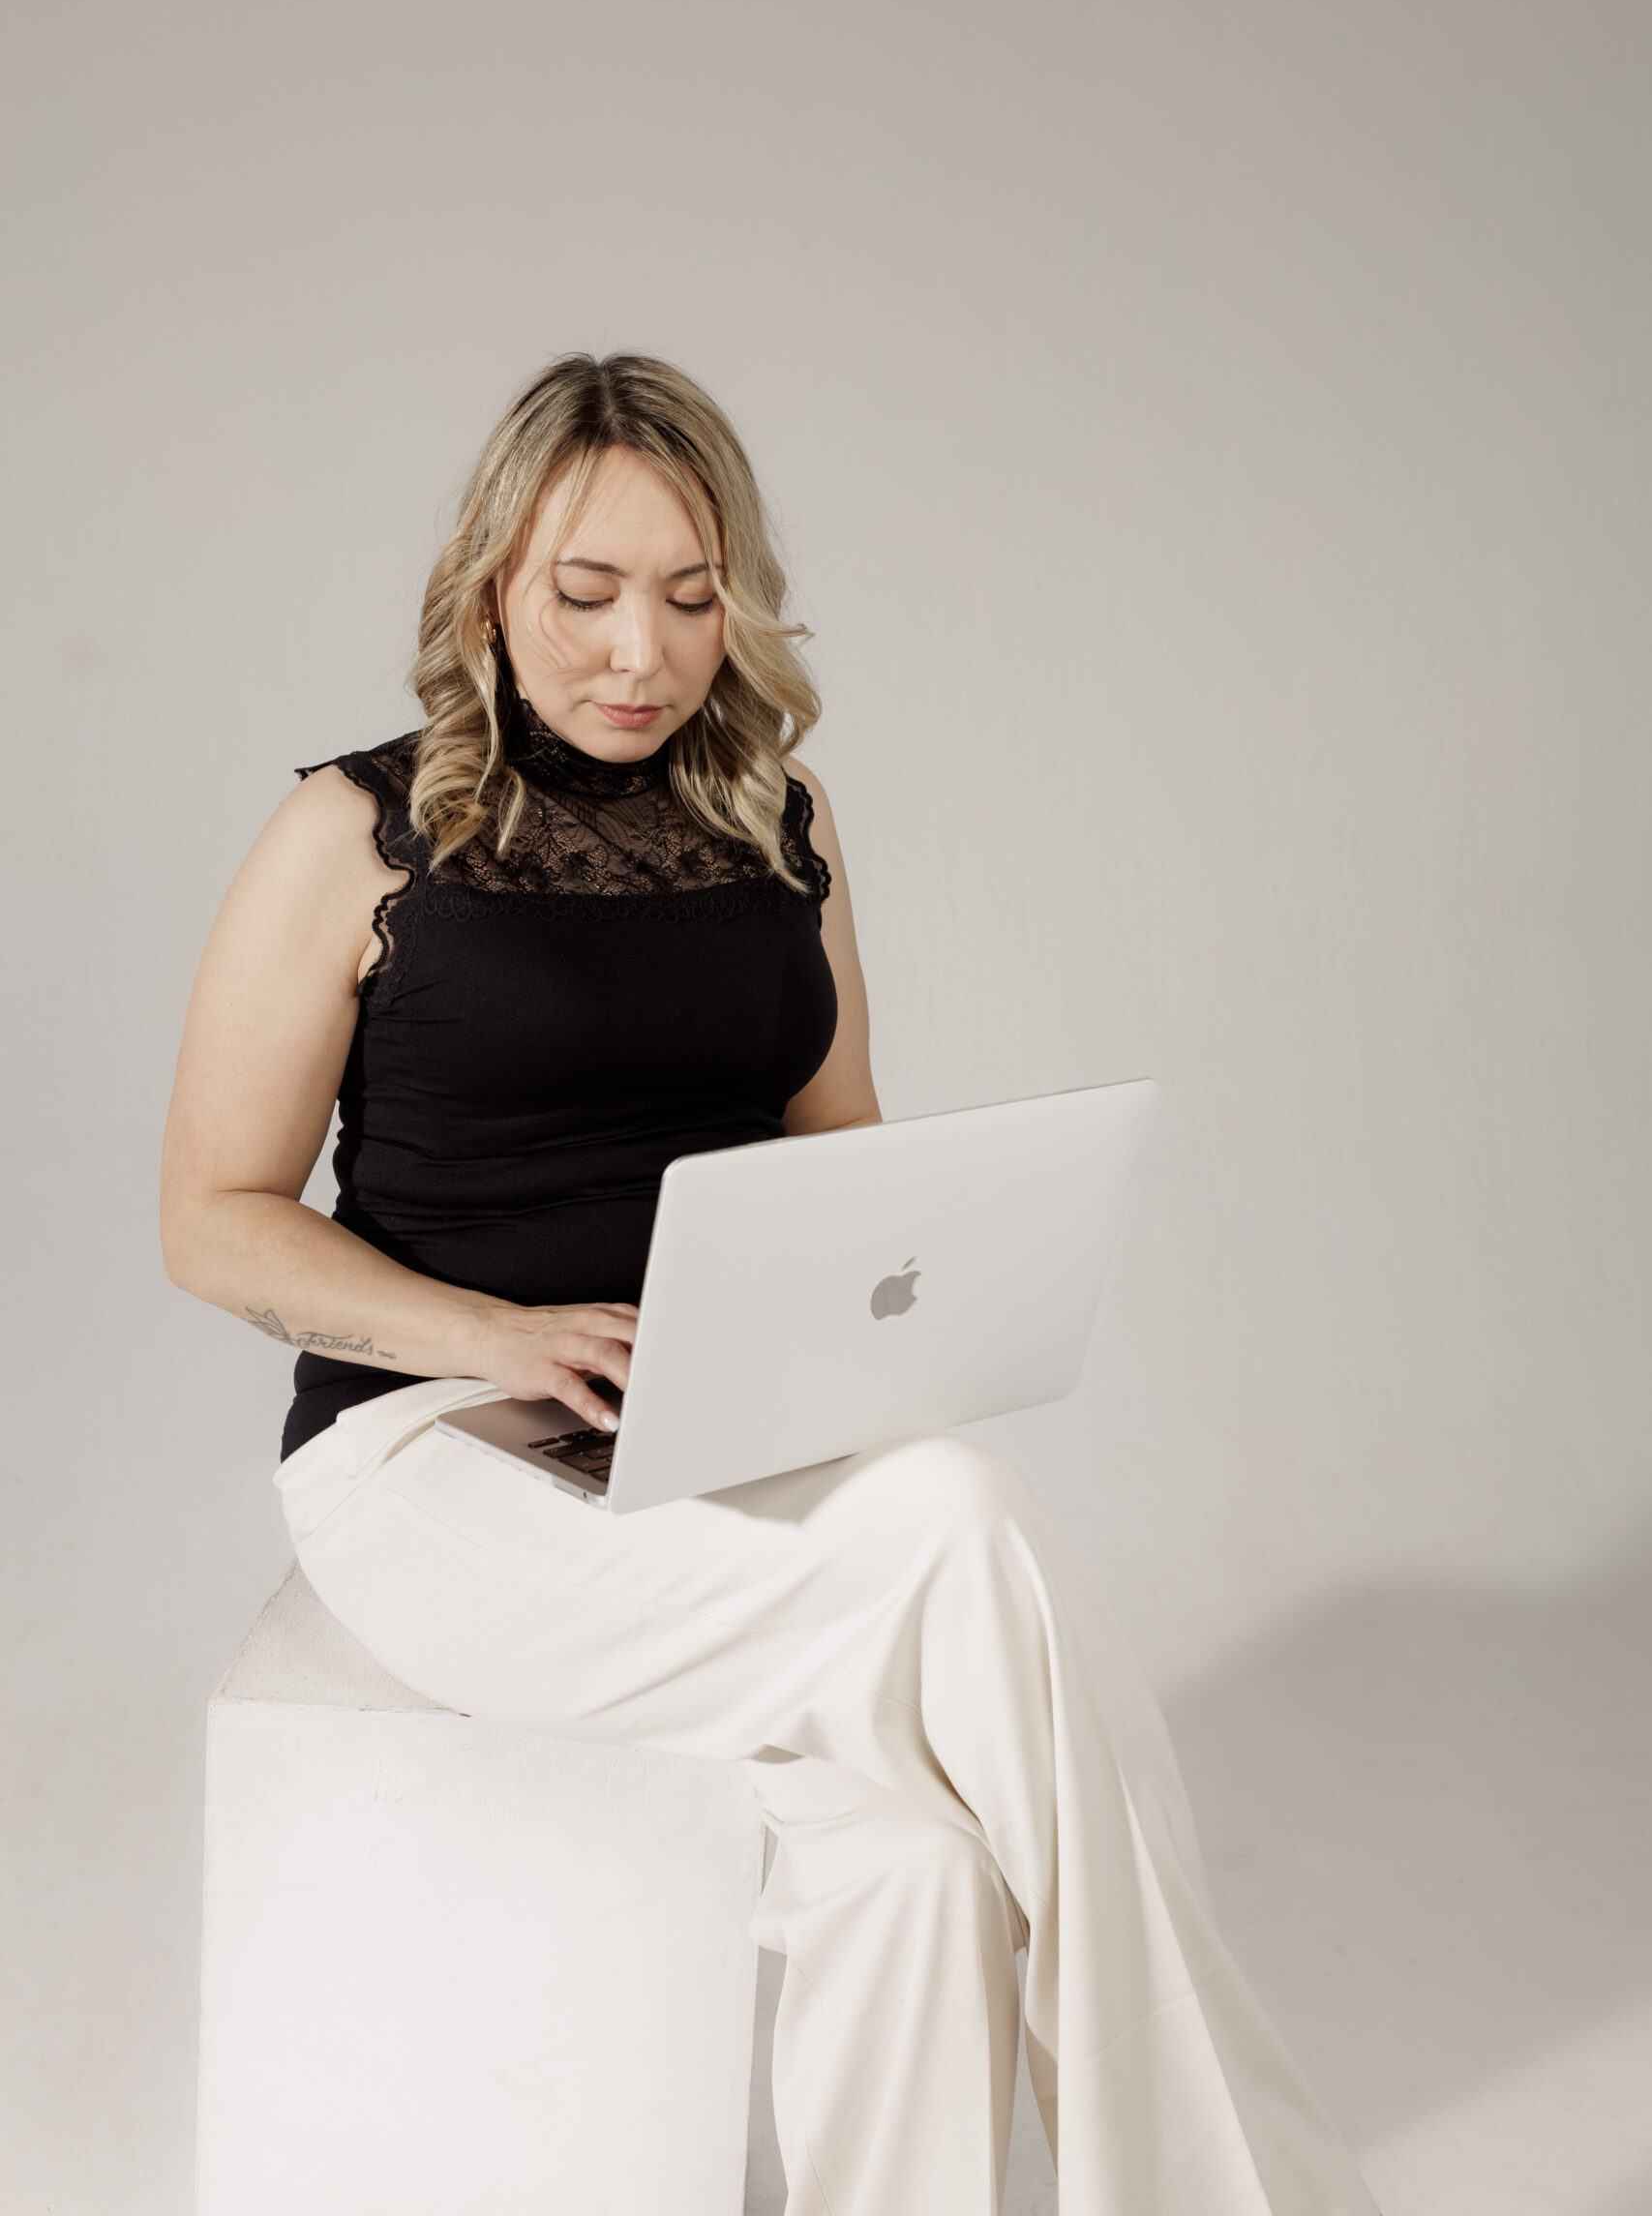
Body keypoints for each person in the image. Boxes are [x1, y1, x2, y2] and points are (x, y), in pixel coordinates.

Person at [161, 351, 1378, 2215]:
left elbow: (840, 1159)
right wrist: (498, 1335)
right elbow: (214, 1217)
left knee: (916, 1862)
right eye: (586, 593)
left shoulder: (782, 826)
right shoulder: (354, 836)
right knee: (962, 1524)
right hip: (430, 1458)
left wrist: (901, 1307)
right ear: (490, 585)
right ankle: (1213, 2185)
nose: (639, 652)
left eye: (691, 594)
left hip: (707, 1437)